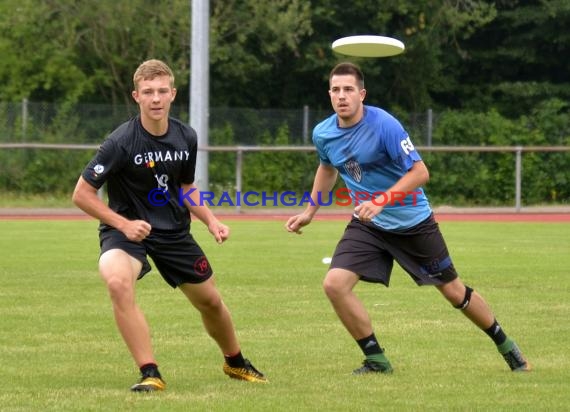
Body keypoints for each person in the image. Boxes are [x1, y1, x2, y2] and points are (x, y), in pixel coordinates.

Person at [285, 62, 530, 375]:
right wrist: (310, 211)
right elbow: (327, 169)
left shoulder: (385, 125)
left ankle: (506, 345)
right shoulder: (323, 133)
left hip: (412, 223)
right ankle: (377, 360)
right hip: (369, 224)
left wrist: (382, 200)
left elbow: (420, 172)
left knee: (454, 293)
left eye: (348, 89)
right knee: (334, 284)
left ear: (362, 94)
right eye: (336, 89)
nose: (342, 96)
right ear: (329, 94)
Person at [72, 59, 267, 391]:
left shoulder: (185, 136)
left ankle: (235, 362)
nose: (156, 98)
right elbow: (82, 194)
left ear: (173, 94)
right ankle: (150, 372)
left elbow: (186, 188)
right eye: (148, 92)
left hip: (174, 232)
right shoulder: (120, 142)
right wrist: (123, 224)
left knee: (210, 301)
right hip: (126, 232)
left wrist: (211, 219)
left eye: (162, 91)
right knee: (118, 283)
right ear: (136, 96)